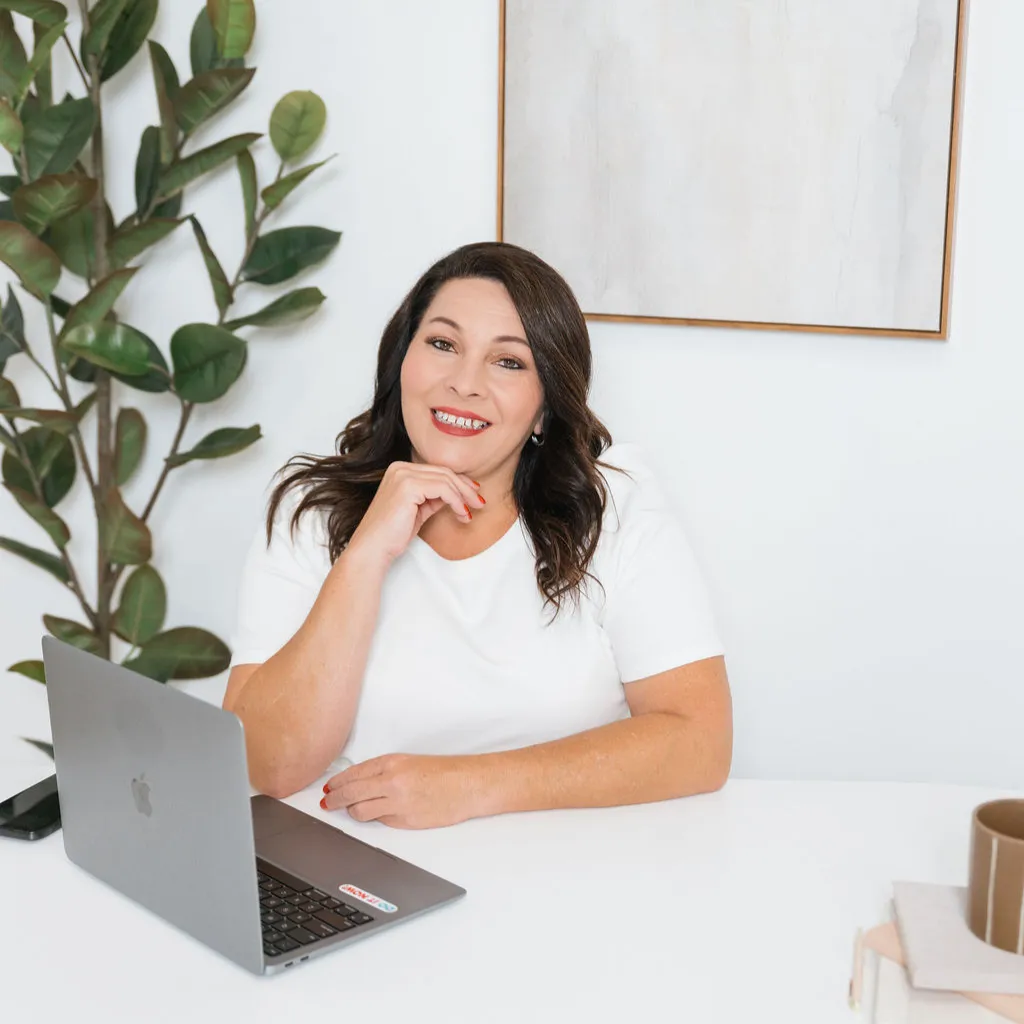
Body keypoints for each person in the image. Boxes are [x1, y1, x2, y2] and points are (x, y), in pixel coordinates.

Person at [223, 241, 732, 829]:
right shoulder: (311, 510)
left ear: (544, 409)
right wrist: (365, 556)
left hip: (565, 859)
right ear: (401, 362)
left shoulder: (614, 508)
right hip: (357, 855)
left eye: (509, 362)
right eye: (443, 344)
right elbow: (268, 764)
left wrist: (468, 785)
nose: (464, 383)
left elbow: (700, 740)